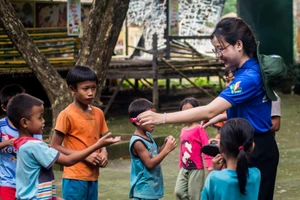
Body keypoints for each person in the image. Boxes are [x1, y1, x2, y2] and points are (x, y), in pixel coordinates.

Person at [138, 17, 279, 200]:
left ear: (238, 45)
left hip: (255, 148)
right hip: (247, 142)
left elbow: (209, 109)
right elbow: (251, 108)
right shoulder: (244, 71)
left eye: (222, 48)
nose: (218, 54)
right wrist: (221, 117)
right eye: (216, 50)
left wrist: (161, 118)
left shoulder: (248, 78)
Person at [6, 93, 120, 200]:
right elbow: (68, 160)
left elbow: (31, 183)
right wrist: (97, 145)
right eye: (40, 117)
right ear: (24, 122)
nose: (44, 121)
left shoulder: (21, 144)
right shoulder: (34, 146)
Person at [50, 65, 110, 200]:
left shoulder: (98, 113)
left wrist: (104, 152)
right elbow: (55, 146)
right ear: (72, 89)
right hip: (74, 175)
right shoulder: (66, 115)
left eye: (93, 88)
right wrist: (85, 156)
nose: (90, 93)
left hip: (93, 175)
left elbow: (100, 139)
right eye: (85, 89)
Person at [128, 98, 177, 200]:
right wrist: (166, 150)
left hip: (152, 187)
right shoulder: (138, 142)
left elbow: (155, 153)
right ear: (137, 122)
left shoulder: (148, 135)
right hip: (144, 189)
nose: (154, 121)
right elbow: (149, 163)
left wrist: (165, 145)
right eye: (150, 118)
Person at [201, 118, 261, 200]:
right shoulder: (256, 175)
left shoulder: (214, 178)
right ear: (252, 146)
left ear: (220, 147)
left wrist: (215, 171)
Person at [0, 84, 42, 200]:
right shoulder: (1, 126)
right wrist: (6, 143)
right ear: (4, 108)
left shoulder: (32, 126)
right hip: (8, 183)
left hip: (29, 183)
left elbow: (39, 149)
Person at [174, 97, 212, 200]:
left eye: (190, 111)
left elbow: (206, 147)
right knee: (179, 192)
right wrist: (180, 164)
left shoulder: (199, 129)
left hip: (196, 168)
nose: (187, 114)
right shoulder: (183, 130)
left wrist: (209, 165)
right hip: (184, 167)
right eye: (184, 112)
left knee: (194, 195)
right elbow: (182, 149)